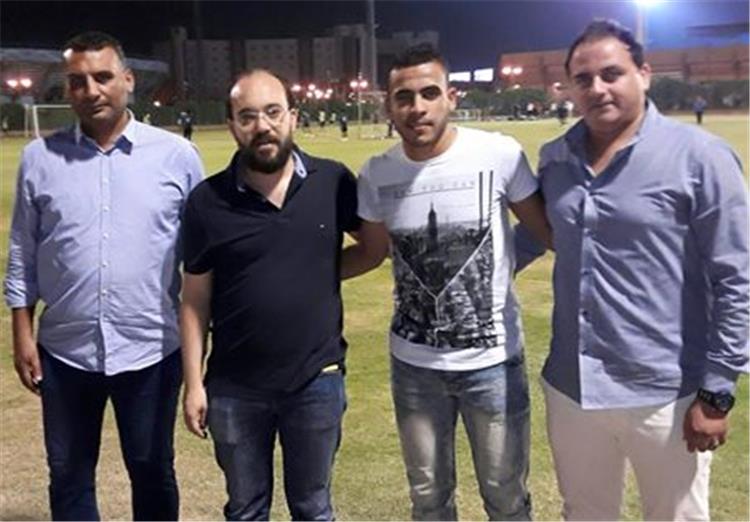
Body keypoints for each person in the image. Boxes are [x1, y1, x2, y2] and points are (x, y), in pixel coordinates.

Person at [533, 19, 748, 520]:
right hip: (573, 386)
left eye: (612, 74)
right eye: (583, 79)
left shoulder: (701, 157)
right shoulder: (556, 159)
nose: (597, 88)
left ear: (644, 74)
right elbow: (535, 236)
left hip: (666, 391)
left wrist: (717, 391)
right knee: (584, 513)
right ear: (570, 88)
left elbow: (737, 278)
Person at [342, 43, 552, 520]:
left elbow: (545, 232)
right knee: (429, 499)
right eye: (404, 97)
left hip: (493, 365)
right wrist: (293, 274)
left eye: (429, 93)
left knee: (506, 498)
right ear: (388, 105)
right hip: (414, 365)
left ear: (450, 97)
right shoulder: (377, 174)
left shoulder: (498, 153)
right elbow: (372, 253)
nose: (417, 107)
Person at [4, 31, 205, 520]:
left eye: (102, 77)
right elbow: (22, 253)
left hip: (151, 348)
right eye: (77, 81)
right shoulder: (39, 159)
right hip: (65, 351)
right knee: (68, 474)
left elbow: (201, 262)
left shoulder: (177, 157)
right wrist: (22, 332)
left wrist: (200, 352)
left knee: (152, 469)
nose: (91, 90)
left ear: (128, 80)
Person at [180, 69, 364, 520]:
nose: (262, 125)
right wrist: (194, 384)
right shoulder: (207, 201)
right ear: (231, 125)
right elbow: (195, 300)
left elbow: (374, 248)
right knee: (245, 510)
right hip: (234, 387)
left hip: (316, 380)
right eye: (247, 116)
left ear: (293, 117)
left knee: (313, 508)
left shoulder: (333, 181)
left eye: (273, 112)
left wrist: (317, 273)